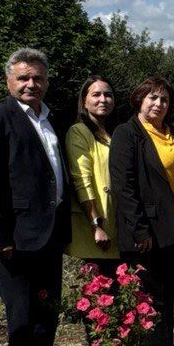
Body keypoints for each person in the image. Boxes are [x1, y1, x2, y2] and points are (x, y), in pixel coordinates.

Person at [0, 48, 69, 346]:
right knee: (23, 321)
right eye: (23, 78)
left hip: (49, 236)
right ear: (8, 81)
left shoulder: (53, 120)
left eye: (37, 78)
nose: (31, 84)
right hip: (15, 239)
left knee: (47, 315)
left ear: (47, 81)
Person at [109, 76, 174, 346]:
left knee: (166, 292)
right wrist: (140, 229)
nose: (158, 104)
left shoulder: (173, 132)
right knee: (150, 295)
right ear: (139, 99)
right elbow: (123, 185)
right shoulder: (127, 133)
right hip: (146, 231)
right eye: (152, 97)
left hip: (171, 227)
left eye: (164, 99)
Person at [65, 75, 119, 269]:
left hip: (116, 223)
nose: (103, 99)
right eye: (96, 95)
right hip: (96, 229)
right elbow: (82, 180)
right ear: (84, 102)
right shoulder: (78, 131)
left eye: (108, 95)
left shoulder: (113, 132)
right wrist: (96, 225)